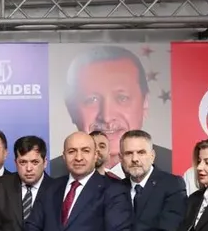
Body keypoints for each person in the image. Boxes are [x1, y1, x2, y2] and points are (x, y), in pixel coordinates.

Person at [50, 46, 172, 177]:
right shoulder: (51, 176)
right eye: (92, 99)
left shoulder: (172, 166)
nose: (107, 117)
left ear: (145, 103)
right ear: (71, 109)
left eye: (122, 98)